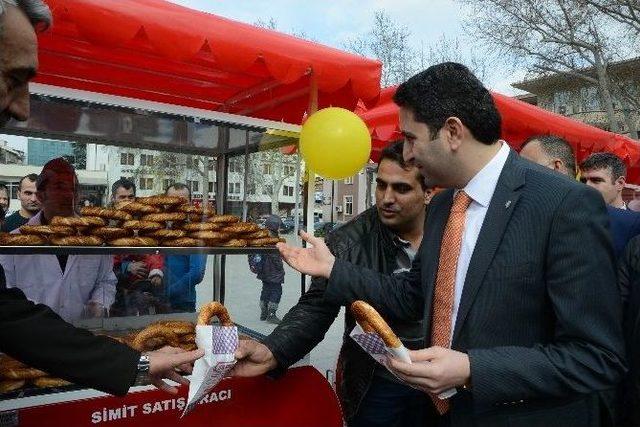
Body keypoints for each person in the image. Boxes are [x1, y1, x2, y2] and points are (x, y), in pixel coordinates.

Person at [276, 63, 625, 426]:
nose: (407, 155)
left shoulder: (562, 204)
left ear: (453, 132)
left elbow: (596, 357)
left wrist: (472, 369)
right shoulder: (443, 206)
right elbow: (412, 295)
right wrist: (332, 269)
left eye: (411, 138)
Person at [0, 0, 202, 396]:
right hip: (29, 357)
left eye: (71, 186)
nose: (23, 108)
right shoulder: (16, 238)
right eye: (12, 78)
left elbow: (8, 313)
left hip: (80, 344)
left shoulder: (92, 240)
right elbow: (12, 312)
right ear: (38, 193)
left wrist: (118, 342)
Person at [233, 141, 432, 427]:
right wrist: (273, 350)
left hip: (442, 377)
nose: (386, 198)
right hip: (378, 381)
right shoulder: (349, 241)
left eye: (401, 188)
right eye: (381, 185)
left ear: (427, 193)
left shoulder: (451, 230)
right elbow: (315, 307)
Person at [0, 158, 117, 322]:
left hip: (82, 333)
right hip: (32, 335)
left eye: (73, 189)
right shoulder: (15, 241)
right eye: (60, 187)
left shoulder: (95, 239)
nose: (68, 195)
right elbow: (7, 292)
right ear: (41, 195)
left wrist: (99, 303)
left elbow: (106, 280)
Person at [520, 136, 640, 258]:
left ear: (620, 183)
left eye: (596, 180)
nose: (587, 186)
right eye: (583, 180)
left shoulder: (634, 223)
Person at [110, 178, 167, 316]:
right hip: (115, 295)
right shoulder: (106, 225)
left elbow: (153, 252)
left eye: (131, 197)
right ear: (113, 198)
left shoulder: (144, 224)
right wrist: (127, 267)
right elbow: (101, 263)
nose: (127, 201)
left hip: (140, 293)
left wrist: (155, 271)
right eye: (122, 197)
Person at [163, 183, 206, 312]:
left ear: (190, 203)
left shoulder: (196, 233)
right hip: (150, 299)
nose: (178, 205)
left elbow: (196, 273)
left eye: (182, 201)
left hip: (181, 303)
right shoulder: (155, 228)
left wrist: (166, 294)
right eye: (173, 201)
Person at [250, 214, 285, 324]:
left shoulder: (263, 236)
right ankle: (271, 314)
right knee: (276, 291)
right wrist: (281, 269)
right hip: (273, 272)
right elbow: (276, 258)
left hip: (263, 271)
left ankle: (263, 312)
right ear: (275, 226)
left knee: (265, 289)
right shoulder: (273, 239)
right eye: (279, 225)